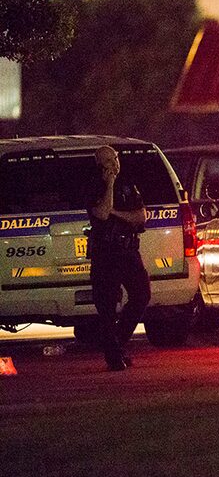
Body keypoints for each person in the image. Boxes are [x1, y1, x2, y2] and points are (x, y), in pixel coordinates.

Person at [86, 145, 150, 371]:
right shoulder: (95, 186)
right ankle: (113, 356)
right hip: (106, 253)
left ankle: (119, 344)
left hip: (128, 251)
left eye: (114, 159)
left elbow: (141, 216)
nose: (113, 165)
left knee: (142, 295)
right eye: (107, 163)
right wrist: (110, 185)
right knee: (107, 307)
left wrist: (117, 214)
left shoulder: (128, 185)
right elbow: (102, 212)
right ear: (100, 166)